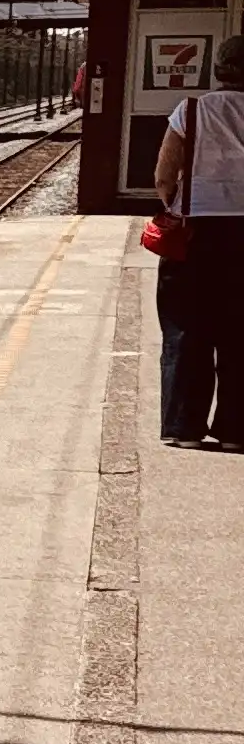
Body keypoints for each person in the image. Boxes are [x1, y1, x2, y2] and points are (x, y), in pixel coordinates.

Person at [155, 39, 244, 444]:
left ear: (220, 68)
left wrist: (172, 205)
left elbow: (164, 173)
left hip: (196, 229)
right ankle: (236, 431)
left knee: (187, 328)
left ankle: (183, 428)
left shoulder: (191, 110)